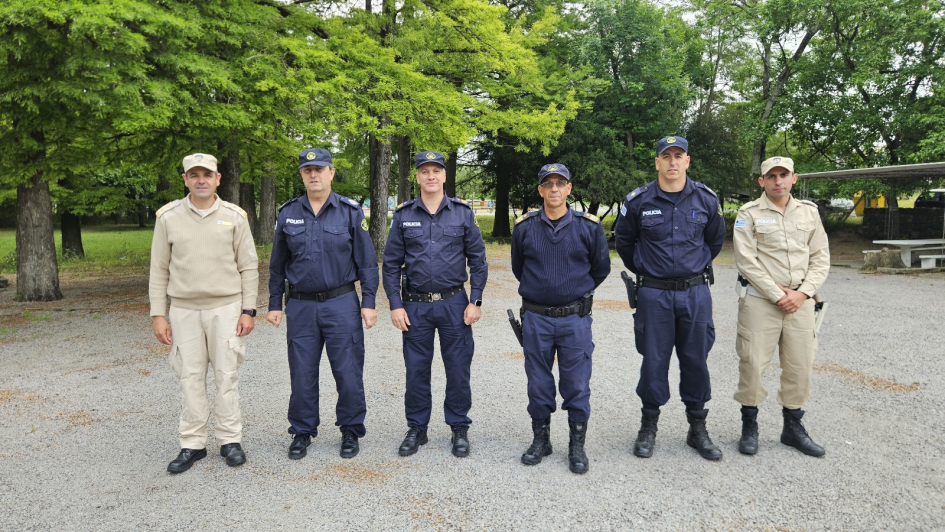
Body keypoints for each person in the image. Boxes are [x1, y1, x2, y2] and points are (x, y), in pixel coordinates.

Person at [614, 135, 725, 461]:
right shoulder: (638, 201)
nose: (673, 162)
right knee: (653, 360)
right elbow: (625, 244)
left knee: (696, 360)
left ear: (687, 161)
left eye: (679, 156)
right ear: (657, 162)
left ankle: (697, 429)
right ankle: (648, 427)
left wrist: (691, 271)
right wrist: (650, 274)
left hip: (695, 293)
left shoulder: (706, 199)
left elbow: (714, 242)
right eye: (667, 156)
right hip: (654, 295)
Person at [266, 148, 379, 460]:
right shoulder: (288, 212)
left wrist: (368, 302)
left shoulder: (350, 212)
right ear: (302, 175)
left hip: (341, 303)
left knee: (348, 372)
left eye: (320, 169)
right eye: (307, 170)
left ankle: (350, 430)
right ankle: (302, 432)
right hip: (301, 306)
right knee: (301, 373)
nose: (313, 174)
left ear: (331, 172)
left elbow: (367, 263)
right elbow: (278, 265)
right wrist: (275, 303)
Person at [149, 153, 259, 474]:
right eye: (193, 174)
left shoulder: (235, 217)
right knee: (190, 376)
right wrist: (159, 313)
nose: (200, 180)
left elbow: (248, 266)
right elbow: (159, 269)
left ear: (218, 179)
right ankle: (192, 443)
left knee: (227, 375)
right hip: (183, 309)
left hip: (225, 308)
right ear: (184, 179)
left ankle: (230, 440)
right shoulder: (168, 217)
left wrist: (248, 310)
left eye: (206, 175)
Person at [382, 150, 488, 458]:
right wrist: (395, 304)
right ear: (416, 176)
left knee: (457, 369)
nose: (430, 176)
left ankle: (459, 427)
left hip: (455, 303)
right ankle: (417, 427)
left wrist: (476, 300)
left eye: (436, 171)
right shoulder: (403, 215)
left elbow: (479, 261)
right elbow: (390, 265)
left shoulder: (462, 213)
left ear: (444, 175)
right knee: (416, 370)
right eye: (424, 171)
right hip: (414, 306)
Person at [511, 163, 611, 474]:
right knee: (538, 383)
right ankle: (541, 440)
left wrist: (573, 292)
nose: (554, 188)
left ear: (569, 189)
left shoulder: (589, 227)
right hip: (537, 319)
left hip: (574, 319)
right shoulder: (525, 227)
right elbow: (519, 268)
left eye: (560, 183)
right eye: (548, 183)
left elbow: (600, 269)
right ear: (540, 190)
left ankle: (576, 445)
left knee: (577, 384)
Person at [732, 156, 830, 457]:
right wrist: (779, 295)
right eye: (771, 176)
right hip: (762, 303)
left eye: (783, 175)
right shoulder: (748, 214)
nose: (778, 181)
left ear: (794, 178)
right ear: (761, 181)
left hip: (800, 303)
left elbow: (821, 257)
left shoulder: (809, 213)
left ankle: (793, 428)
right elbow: (747, 261)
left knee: (800, 366)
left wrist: (802, 294)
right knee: (753, 364)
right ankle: (750, 426)